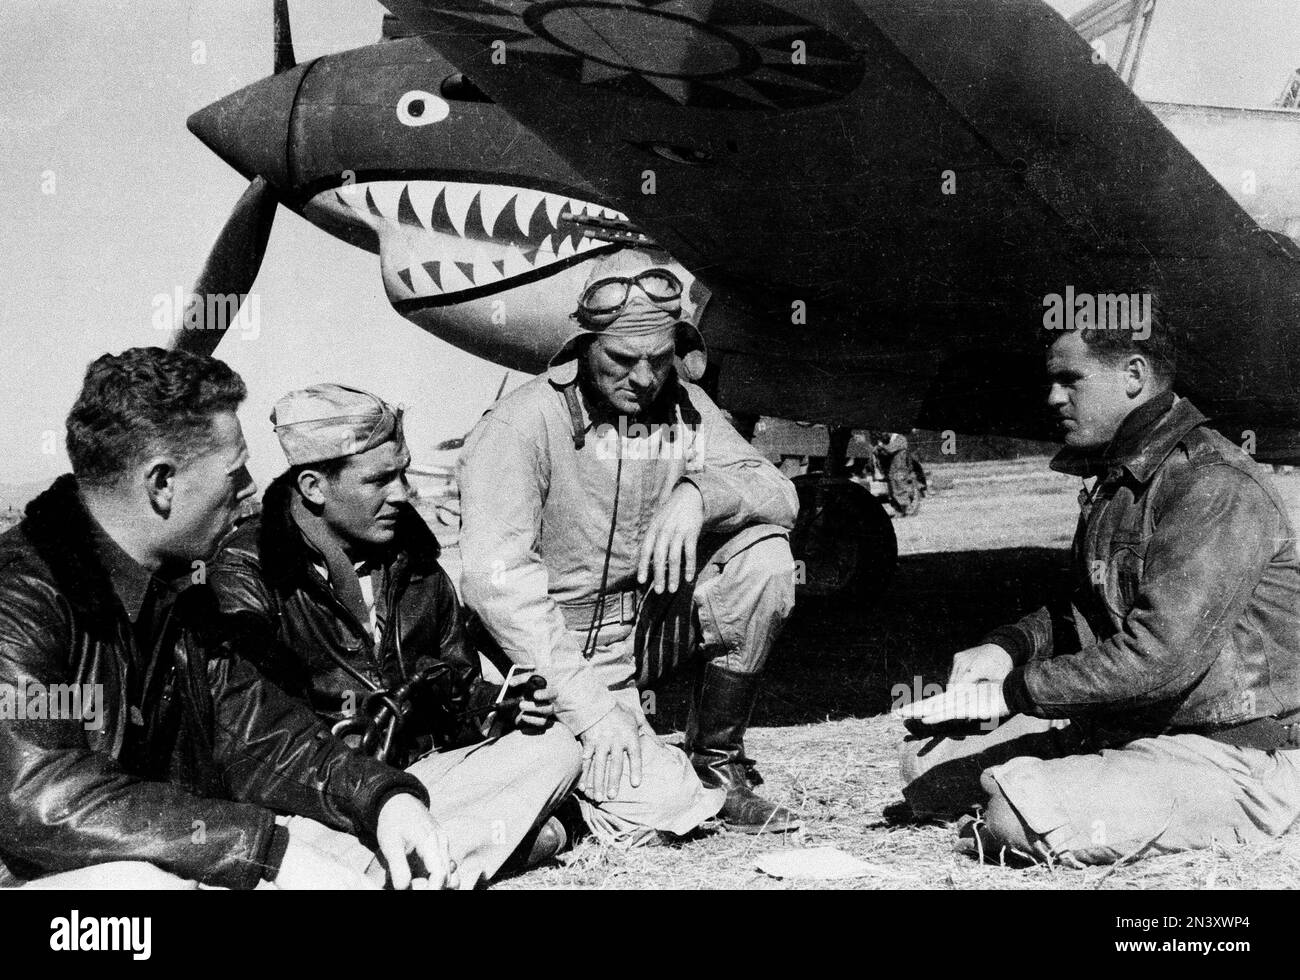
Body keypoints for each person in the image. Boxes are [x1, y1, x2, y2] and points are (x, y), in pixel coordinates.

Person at [0, 348, 455, 889]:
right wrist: (267, 852)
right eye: (235, 474)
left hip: (192, 850)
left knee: (513, 771)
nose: (249, 493)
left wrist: (383, 798)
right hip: (56, 877)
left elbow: (262, 736)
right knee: (139, 885)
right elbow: (41, 799)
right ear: (161, 484)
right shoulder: (20, 601)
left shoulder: (180, 597)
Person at [897, 313, 1300, 866]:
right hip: (1144, 726)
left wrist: (1012, 693)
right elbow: (1084, 608)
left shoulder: (1213, 483)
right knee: (927, 770)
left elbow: (1158, 656)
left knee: (1013, 816)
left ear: (1134, 374)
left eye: (1070, 380)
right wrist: (1006, 648)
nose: (1052, 398)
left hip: (1236, 750)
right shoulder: (1122, 477)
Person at [458, 248, 801, 843]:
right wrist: (591, 711)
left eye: (660, 359)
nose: (643, 379)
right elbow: (501, 587)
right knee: (668, 805)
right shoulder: (518, 426)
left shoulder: (683, 405)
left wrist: (699, 493)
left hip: (642, 633)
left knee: (766, 559)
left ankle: (717, 759)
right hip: (549, 654)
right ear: (582, 348)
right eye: (621, 358)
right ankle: (567, 780)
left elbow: (779, 495)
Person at [210, 383, 580, 883]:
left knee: (556, 747)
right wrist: (372, 794)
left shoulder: (416, 565)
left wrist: (500, 705)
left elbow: (456, 685)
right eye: (379, 480)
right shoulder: (249, 571)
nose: (402, 493)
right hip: (318, 796)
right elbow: (254, 736)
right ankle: (474, 853)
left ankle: (407, 869)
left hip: (409, 785)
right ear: (315, 487)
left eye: (403, 473)